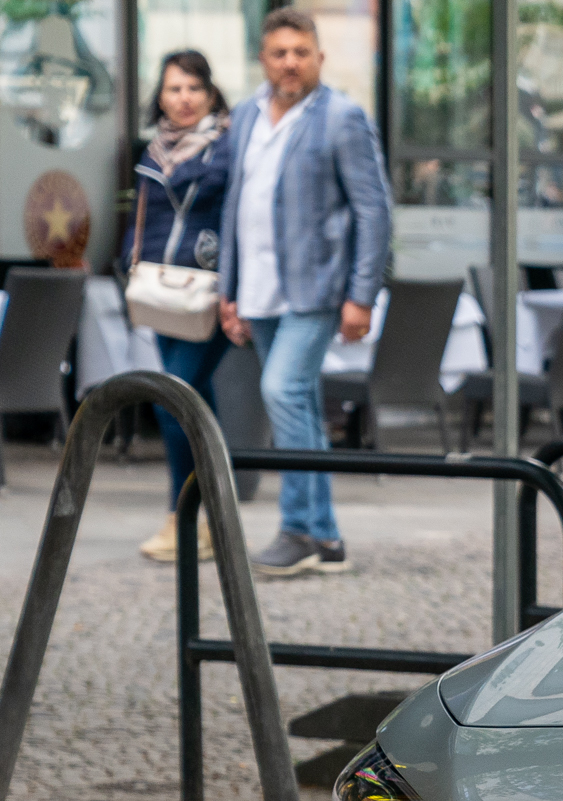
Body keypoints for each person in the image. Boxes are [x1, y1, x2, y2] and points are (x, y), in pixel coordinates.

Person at [216, 8, 391, 578]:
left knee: (282, 390)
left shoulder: (342, 118)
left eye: (300, 52)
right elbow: (234, 207)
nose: (289, 62)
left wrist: (361, 295)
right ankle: (326, 538)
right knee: (303, 409)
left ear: (319, 57)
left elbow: (374, 210)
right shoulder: (245, 117)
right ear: (263, 60)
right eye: (278, 53)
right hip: (260, 292)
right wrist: (230, 290)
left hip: (316, 289)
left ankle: (296, 527)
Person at [132, 50, 231, 563]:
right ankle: (214, 518)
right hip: (161, 289)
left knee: (173, 398)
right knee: (197, 401)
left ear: (210, 94)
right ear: (161, 96)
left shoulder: (227, 148)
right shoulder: (153, 151)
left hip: (208, 290)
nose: (184, 98)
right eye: (174, 89)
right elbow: (145, 219)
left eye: (193, 88)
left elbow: (239, 220)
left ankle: (184, 515)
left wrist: (236, 287)